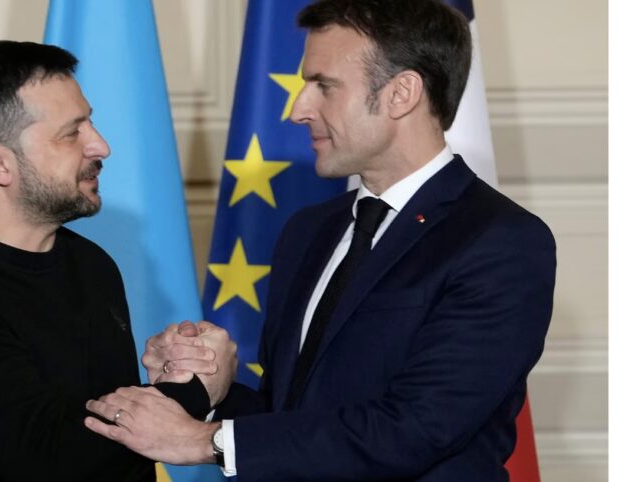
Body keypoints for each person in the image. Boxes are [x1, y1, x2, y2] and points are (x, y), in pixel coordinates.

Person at [82, 0, 557, 480]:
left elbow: (416, 429)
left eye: (323, 86)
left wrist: (202, 441)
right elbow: (292, 415)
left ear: (402, 93)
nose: (297, 110)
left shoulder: (500, 242)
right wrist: (207, 389)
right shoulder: (309, 230)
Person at [0, 40, 219, 482]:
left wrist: (164, 380)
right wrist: (193, 392)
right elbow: (58, 459)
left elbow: (101, 430)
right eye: (72, 133)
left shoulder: (90, 264)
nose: (101, 146)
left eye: (90, 122)